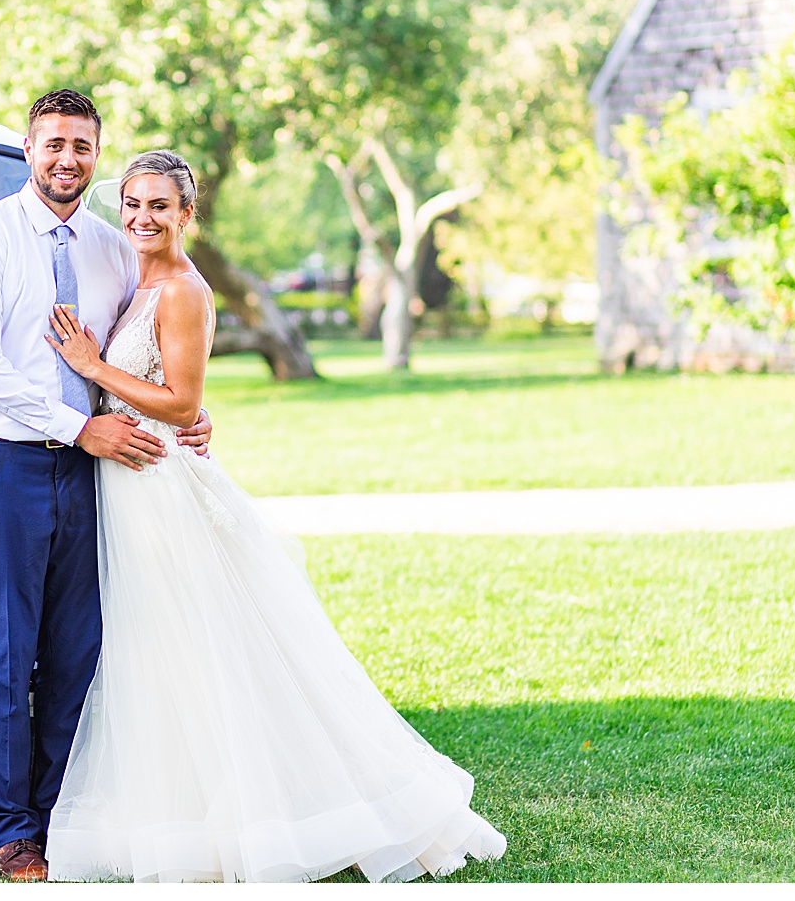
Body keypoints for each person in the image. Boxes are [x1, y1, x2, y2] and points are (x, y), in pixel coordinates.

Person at [42, 151, 508, 883]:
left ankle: (269, 815)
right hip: (130, 482)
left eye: (160, 206)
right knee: (157, 655)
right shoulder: (141, 280)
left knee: (200, 652)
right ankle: (182, 819)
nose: (142, 217)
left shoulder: (184, 290)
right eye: (133, 203)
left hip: (160, 487)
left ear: (187, 214)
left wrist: (95, 368)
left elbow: (184, 405)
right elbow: (170, 385)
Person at [0, 91, 212, 882]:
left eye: (82, 147)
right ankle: (13, 831)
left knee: (76, 654)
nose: (67, 159)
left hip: (95, 473)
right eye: (54, 144)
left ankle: (61, 815)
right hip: (0, 463)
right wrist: (78, 425)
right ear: (28, 150)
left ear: (97, 155)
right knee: (3, 655)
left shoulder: (112, 246)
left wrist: (186, 416)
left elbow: (147, 350)